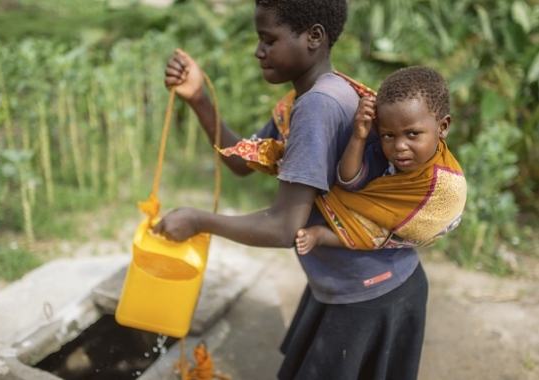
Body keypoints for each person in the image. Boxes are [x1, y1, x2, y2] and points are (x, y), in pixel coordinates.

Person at [156, 1, 427, 379]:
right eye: (258, 39)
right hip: (360, 282)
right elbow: (241, 162)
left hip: (367, 291)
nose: (258, 51)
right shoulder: (311, 97)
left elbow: (284, 228)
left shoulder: (318, 107)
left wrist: (197, 220)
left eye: (269, 39)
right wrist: (199, 96)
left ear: (314, 36)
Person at [295, 66, 467, 254]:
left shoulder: (444, 184)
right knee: (369, 232)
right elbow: (349, 182)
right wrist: (358, 136)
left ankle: (321, 235)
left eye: (412, 134)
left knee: (375, 235)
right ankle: (321, 235)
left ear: (442, 127)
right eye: (388, 136)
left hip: (424, 223)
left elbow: (450, 205)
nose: (399, 146)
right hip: (379, 224)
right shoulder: (383, 154)